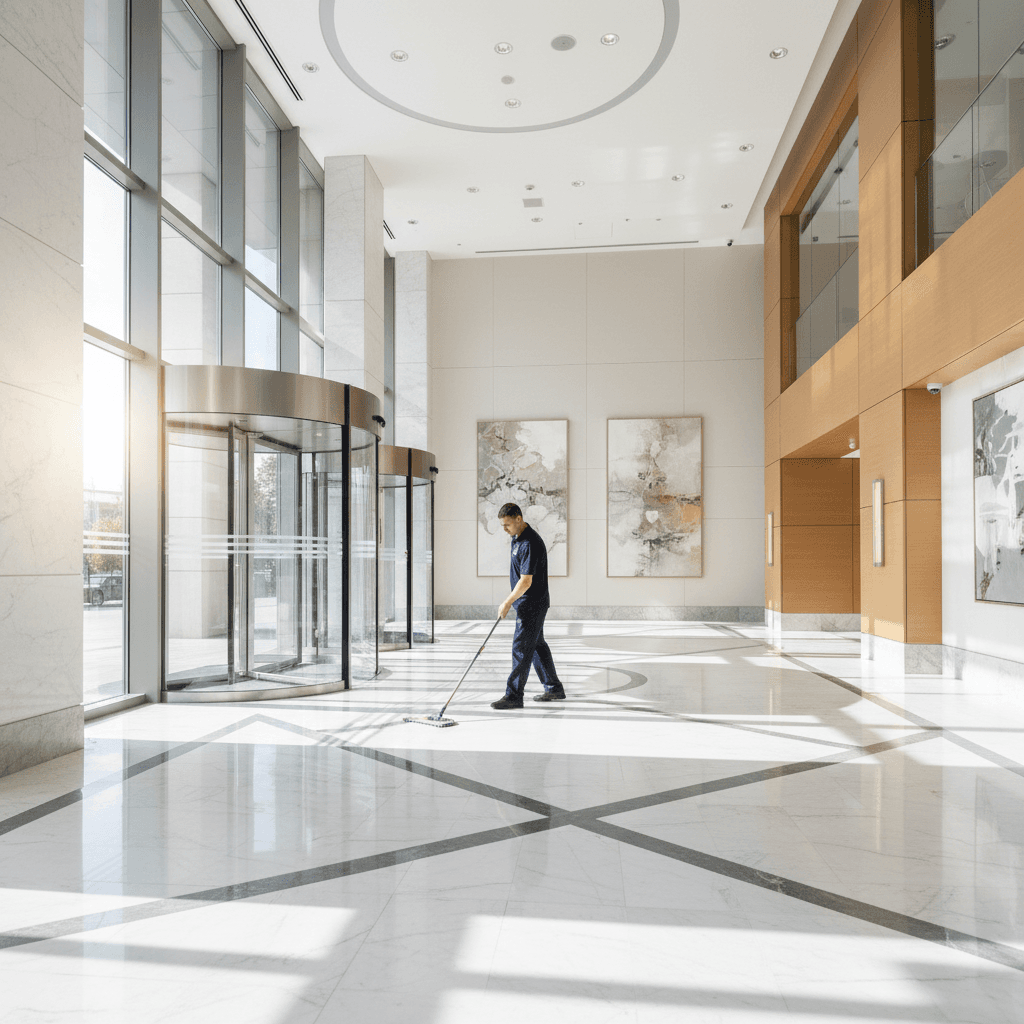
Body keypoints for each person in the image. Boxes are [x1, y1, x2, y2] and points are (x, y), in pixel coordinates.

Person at [490, 502, 565, 710]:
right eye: (503, 525)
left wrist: (507, 602)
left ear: (518, 519)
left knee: (521, 647)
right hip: (529, 603)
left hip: (532, 604)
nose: (505, 529)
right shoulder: (517, 538)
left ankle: (514, 695)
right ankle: (554, 687)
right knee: (537, 645)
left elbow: (526, 581)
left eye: (507, 525)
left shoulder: (530, 542)